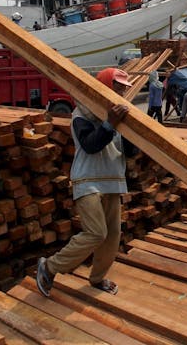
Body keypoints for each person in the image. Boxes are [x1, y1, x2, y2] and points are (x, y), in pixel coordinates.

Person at [36, 68, 136, 297]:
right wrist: (110, 124)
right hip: (88, 180)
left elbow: (129, 152)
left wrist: (131, 132)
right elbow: (91, 145)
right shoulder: (82, 114)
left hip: (112, 181)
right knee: (96, 233)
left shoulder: (119, 118)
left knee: (112, 236)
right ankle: (50, 267)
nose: (120, 92)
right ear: (102, 87)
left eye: (123, 88)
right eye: (117, 86)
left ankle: (98, 277)